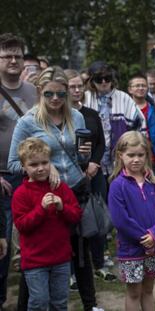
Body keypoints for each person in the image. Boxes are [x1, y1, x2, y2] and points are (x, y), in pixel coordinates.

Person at [8, 66, 103, 311]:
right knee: (40, 257)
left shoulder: (76, 116)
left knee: (81, 255)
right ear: (40, 91)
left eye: (61, 94)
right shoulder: (28, 121)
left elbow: (79, 158)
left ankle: (90, 305)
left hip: (74, 191)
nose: (55, 99)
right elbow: (12, 163)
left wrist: (85, 156)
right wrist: (44, 169)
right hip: (44, 196)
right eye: (49, 94)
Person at [12, 137, 82, 310]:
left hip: (61, 258)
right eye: (34, 165)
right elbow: (22, 225)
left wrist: (61, 207)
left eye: (45, 162)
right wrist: (41, 209)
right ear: (24, 166)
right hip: (35, 260)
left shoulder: (60, 187)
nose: (41, 168)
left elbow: (76, 216)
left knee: (59, 302)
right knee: (39, 302)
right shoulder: (21, 194)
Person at [108, 131, 155, 311]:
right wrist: (145, 238)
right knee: (134, 292)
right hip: (131, 249)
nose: (136, 159)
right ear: (121, 156)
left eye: (140, 155)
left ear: (147, 155)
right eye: (131, 155)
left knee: (148, 290)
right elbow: (121, 220)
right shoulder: (117, 186)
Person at [65, 69, 117, 282]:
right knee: (69, 224)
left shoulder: (91, 113)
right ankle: (70, 272)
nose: (77, 90)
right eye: (72, 87)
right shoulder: (61, 116)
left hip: (94, 174)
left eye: (80, 86)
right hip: (69, 176)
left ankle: (99, 262)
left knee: (97, 219)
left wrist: (94, 163)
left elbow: (101, 142)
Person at [0, 32, 37, 309]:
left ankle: (28, 301)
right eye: (7, 55)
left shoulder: (34, 92)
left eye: (17, 55)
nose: (13, 60)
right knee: (2, 244)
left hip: (30, 175)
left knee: (30, 241)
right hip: (2, 177)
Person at [83, 61, 145, 180]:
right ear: (91, 80)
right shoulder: (85, 98)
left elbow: (139, 126)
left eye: (107, 78)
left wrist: (132, 154)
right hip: (92, 164)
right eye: (99, 79)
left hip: (121, 164)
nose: (104, 82)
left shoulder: (124, 98)